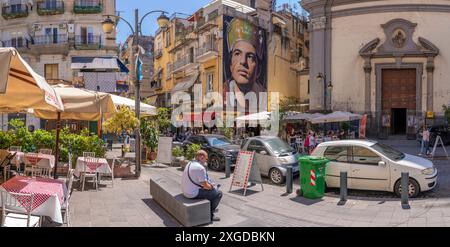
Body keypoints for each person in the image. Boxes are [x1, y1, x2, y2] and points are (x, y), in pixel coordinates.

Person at [223, 18, 266, 111]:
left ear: (258, 69)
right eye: (237, 54)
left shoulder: (265, 99)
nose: (243, 61)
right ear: (230, 63)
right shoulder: (222, 94)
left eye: (250, 56)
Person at [181, 150, 222, 222]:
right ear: (201, 157)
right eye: (206, 159)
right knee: (218, 193)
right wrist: (213, 187)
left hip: (185, 190)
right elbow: (206, 186)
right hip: (191, 193)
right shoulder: (200, 168)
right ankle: (210, 215)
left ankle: (208, 208)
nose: (206, 161)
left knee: (211, 191)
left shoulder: (190, 163)